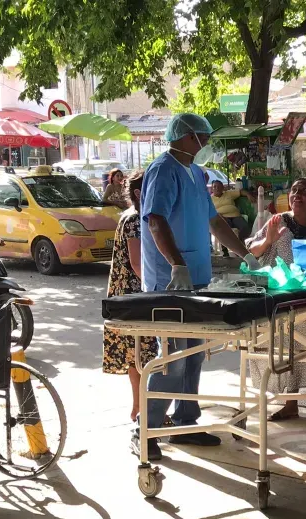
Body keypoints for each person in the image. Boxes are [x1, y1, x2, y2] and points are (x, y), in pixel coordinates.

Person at [133, 112, 254, 462]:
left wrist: (245, 253)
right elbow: (155, 219)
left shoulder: (197, 173)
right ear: (187, 136)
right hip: (170, 281)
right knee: (174, 360)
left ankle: (186, 422)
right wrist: (177, 264)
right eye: (203, 136)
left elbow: (213, 220)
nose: (207, 141)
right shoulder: (164, 169)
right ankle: (145, 429)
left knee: (195, 355)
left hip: (197, 278)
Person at [246, 178, 306, 421]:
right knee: (287, 349)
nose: (297, 195)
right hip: (286, 297)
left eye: (305, 191)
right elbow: (251, 251)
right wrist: (268, 240)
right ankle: (290, 403)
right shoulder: (280, 221)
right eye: (294, 191)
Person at [102, 170, 158, 422]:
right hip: (135, 295)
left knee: (136, 354)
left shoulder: (131, 216)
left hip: (127, 295)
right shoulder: (135, 219)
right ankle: (142, 409)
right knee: (141, 354)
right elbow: (137, 263)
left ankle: (140, 407)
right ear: (138, 193)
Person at [210, 180, 256, 255]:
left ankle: (241, 246)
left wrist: (248, 195)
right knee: (222, 228)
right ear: (212, 189)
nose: (217, 188)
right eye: (214, 187)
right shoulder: (210, 199)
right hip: (222, 217)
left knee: (245, 227)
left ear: (223, 188)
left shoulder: (228, 193)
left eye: (219, 186)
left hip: (235, 216)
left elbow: (240, 191)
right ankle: (225, 251)